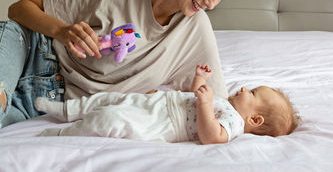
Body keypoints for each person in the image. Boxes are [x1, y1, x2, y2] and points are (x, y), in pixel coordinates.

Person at [0, 0, 244, 128]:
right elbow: (19, 9)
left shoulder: (195, 30)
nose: (211, 3)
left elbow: (222, 107)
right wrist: (63, 31)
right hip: (30, 50)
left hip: (46, 100)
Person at [35, 65, 301, 144]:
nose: (244, 88)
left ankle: (63, 133)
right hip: (161, 102)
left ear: (254, 120)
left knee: (113, 118)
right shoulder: (226, 103)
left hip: (163, 124)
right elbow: (197, 96)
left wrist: (207, 104)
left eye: (252, 93)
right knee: (112, 98)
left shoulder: (234, 124)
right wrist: (200, 80)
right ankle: (67, 110)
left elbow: (211, 137)